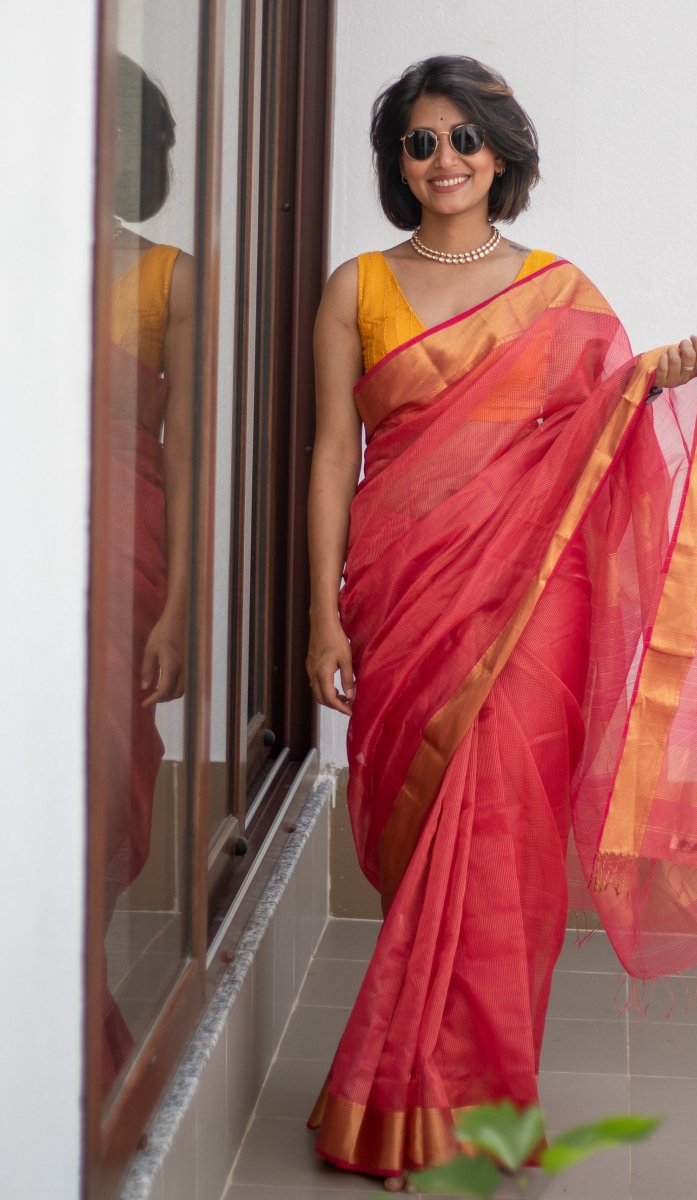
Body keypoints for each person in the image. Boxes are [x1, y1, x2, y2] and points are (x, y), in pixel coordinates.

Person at [306, 55, 697, 1190]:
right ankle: (408, 1090)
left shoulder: (560, 294)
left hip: (526, 611)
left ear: (504, 154)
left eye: (463, 139)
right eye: (420, 143)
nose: (443, 162)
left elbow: (598, 437)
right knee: (425, 841)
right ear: (397, 165)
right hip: (403, 585)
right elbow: (335, 453)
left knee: (504, 845)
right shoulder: (356, 286)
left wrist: (654, 378)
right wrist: (321, 613)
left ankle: (472, 1099)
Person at [101, 53, 194, 1095]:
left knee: (102, 774)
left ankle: (66, 1016)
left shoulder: (169, 274)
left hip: (123, 557)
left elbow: (187, 455)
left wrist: (180, 608)